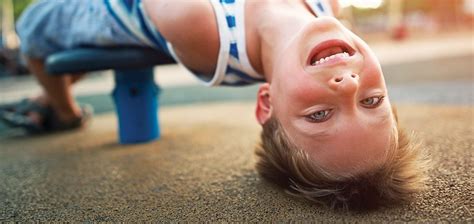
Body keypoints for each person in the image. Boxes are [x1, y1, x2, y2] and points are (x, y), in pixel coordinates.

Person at [4, 0, 430, 209]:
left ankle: (63, 111)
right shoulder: (326, 6)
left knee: (33, 33)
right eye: (372, 101)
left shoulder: (198, 24)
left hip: (117, 10)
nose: (347, 85)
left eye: (320, 115)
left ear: (267, 104)